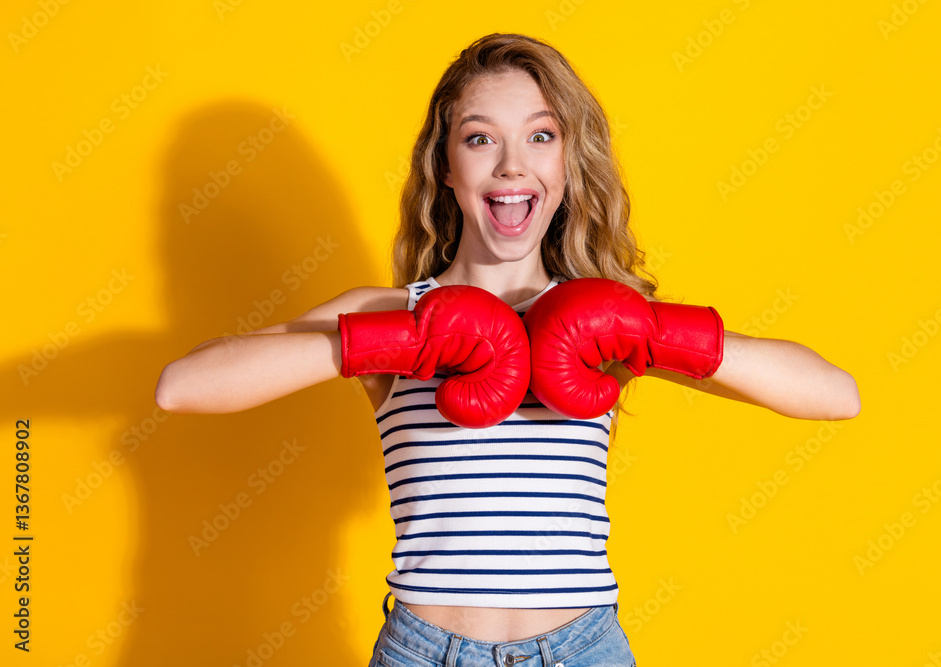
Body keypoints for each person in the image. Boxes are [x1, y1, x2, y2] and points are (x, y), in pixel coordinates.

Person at [155, 32, 860, 667]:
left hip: (583, 649)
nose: (512, 166)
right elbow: (182, 386)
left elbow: (836, 394)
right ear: (446, 168)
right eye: (481, 139)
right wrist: (398, 338)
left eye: (542, 136)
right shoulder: (391, 314)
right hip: (423, 651)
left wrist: (648, 329)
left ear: (569, 162)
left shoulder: (605, 322)